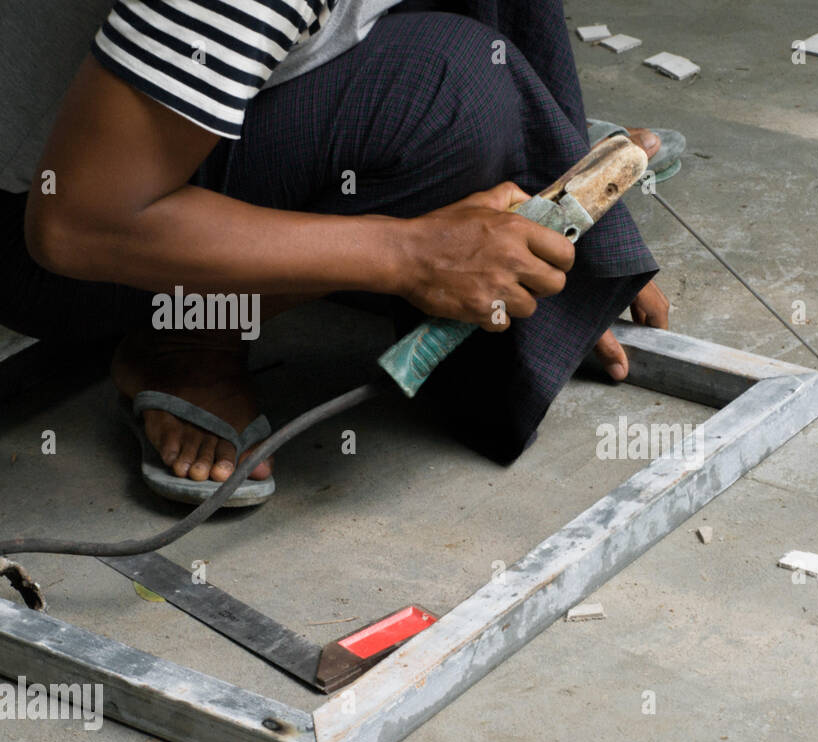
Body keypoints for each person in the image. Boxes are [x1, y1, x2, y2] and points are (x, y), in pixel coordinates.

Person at [1, 0, 672, 501]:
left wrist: (561, 215)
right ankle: (184, 338)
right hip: (46, 231)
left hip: (120, 138)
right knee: (453, 95)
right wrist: (412, 254)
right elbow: (74, 224)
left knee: (473, 76)